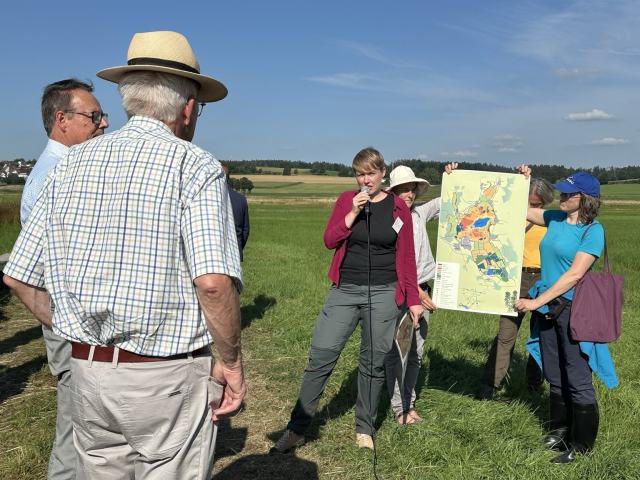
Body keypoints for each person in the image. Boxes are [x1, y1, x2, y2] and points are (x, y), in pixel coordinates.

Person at [4, 31, 245, 479]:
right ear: (188, 106)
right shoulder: (194, 166)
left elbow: (18, 276)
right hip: (166, 379)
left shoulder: (69, 165)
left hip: (88, 370)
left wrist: (73, 324)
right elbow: (212, 282)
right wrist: (231, 363)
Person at [269, 147, 423, 453]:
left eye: (370, 173)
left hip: (383, 293)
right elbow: (329, 241)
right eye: (359, 173)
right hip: (344, 290)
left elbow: (406, 256)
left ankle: (364, 427)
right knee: (321, 355)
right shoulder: (345, 201)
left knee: (372, 363)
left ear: (382, 173)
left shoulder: (397, 208)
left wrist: (414, 297)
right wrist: (352, 212)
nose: (365, 180)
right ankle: (297, 429)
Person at [20, 78, 109, 480]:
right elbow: (29, 272)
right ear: (62, 120)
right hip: (68, 319)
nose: (104, 124)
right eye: (94, 116)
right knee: (75, 426)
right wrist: (63, 323)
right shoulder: (54, 178)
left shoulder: (63, 170)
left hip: (71, 318)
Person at [514, 170, 610, 465]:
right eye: (563, 193)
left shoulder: (592, 230)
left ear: (587, 200)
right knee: (553, 370)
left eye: (570, 194)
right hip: (547, 308)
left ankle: (580, 446)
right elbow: (516, 207)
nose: (563, 197)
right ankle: (559, 431)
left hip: (574, 309)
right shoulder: (554, 217)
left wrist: (536, 301)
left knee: (577, 375)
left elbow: (574, 275)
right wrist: (519, 181)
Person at [383, 163, 454, 424]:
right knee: (397, 353)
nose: (410, 194)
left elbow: (445, 201)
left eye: (412, 190)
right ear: (393, 191)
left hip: (423, 289)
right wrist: (418, 294)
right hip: (401, 293)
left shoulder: (419, 213)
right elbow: (395, 261)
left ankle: (409, 405)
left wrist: (452, 177)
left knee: (416, 353)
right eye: (404, 190)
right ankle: (399, 409)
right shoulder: (388, 219)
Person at [475, 178, 555, 400]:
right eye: (527, 203)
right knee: (505, 334)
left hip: (545, 280)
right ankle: (489, 386)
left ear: (546, 202)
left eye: (536, 205)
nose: (531, 209)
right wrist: (519, 178)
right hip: (516, 278)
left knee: (541, 336)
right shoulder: (512, 217)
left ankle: (533, 385)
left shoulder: (553, 220)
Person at [222, 165, 250, 261]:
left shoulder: (207, 198)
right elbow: (245, 230)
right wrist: (238, 248)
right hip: (236, 251)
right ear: (228, 178)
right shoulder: (241, 198)